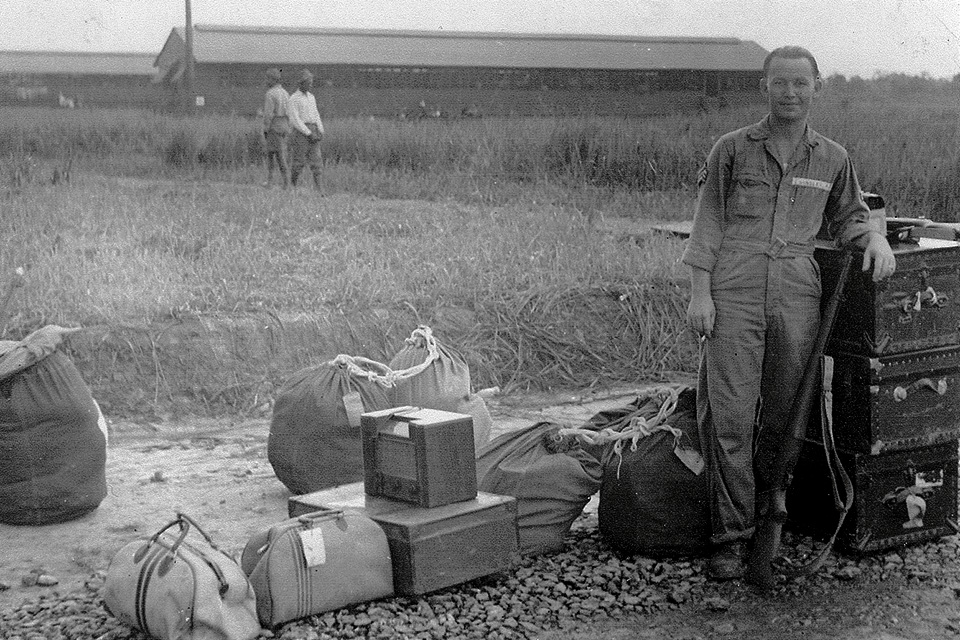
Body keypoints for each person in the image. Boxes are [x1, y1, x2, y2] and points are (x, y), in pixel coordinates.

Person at [682, 46, 896, 580]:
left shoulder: (832, 157)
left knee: (786, 415)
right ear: (764, 87)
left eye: (801, 83)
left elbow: (851, 215)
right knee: (728, 416)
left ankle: (770, 523)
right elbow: (707, 223)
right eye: (781, 83)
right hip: (734, 286)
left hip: (796, 292)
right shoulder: (731, 150)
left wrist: (876, 239)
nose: (791, 93)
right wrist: (700, 292)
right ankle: (730, 538)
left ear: (817, 86)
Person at [288, 68, 325, 190]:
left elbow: (316, 114)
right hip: (301, 132)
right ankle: (292, 186)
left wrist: (320, 129)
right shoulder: (294, 98)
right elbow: (295, 119)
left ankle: (319, 189)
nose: (310, 85)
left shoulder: (311, 97)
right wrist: (308, 133)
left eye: (311, 82)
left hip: (313, 128)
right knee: (299, 161)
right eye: (308, 83)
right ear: (301, 83)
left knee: (317, 160)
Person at [262, 67, 290, 188]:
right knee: (282, 154)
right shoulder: (285, 93)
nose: (266, 81)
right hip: (284, 125)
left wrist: (265, 129)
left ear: (273, 80)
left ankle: (270, 182)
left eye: (268, 78)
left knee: (272, 155)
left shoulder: (270, 94)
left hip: (274, 126)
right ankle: (286, 182)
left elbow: (268, 114)